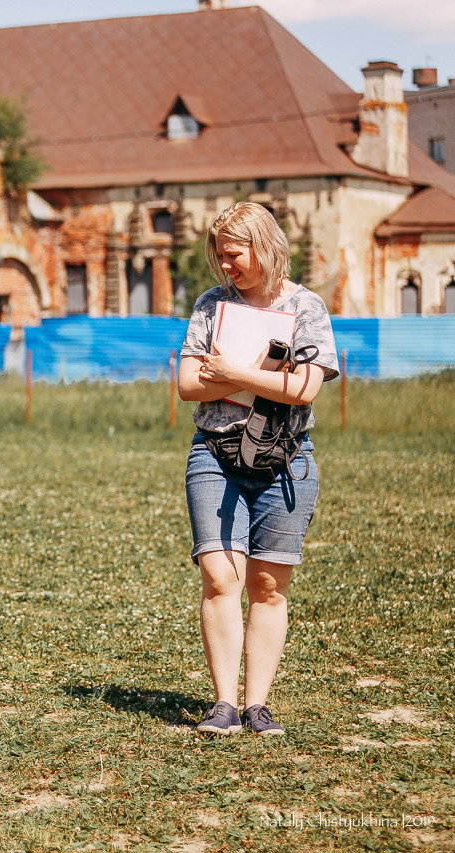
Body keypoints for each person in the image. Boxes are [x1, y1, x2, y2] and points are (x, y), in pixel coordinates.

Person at [177, 202, 338, 737]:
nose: (225, 266)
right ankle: (223, 705)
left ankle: (257, 706)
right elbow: (188, 386)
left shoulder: (307, 307)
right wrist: (264, 378)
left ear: (264, 246)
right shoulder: (210, 305)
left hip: (287, 460)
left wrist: (230, 372)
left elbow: (306, 389)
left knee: (269, 584)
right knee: (221, 576)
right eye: (219, 256)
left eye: (234, 254)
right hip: (215, 454)